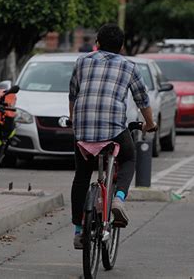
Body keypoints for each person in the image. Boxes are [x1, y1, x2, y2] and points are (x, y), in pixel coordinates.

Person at [68, 23, 157, 249]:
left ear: (97, 43)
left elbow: (73, 95)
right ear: (122, 47)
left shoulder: (82, 62)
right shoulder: (129, 66)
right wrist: (150, 123)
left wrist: (75, 123)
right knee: (129, 158)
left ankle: (79, 231)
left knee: (81, 175)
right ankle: (118, 197)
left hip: (83, 130)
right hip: (114, 129)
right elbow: (142, 100)